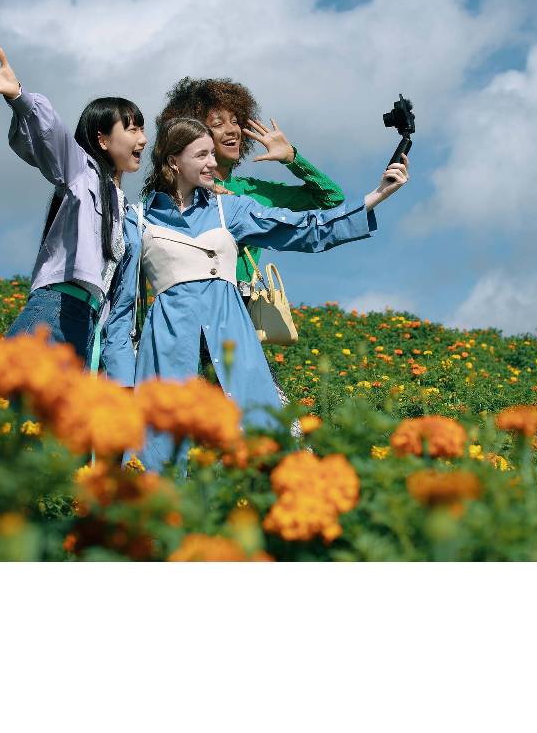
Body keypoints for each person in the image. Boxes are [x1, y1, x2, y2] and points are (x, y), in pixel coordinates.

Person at [102, 116, 408, 472]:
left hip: (234, 343)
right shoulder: (138, 219)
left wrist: (376, 195)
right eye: (201, 155)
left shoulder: (229, 209)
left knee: (266, 446)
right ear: (174, 161)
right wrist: (122, 384)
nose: (212, 162)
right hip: (165, 351)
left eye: (212, 153)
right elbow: (122, 311)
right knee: (161, 463)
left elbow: (304, 229)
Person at [0, 48, 147, 368]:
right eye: (132, 129)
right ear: (102, 140)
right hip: (56, 310)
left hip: (88, 322)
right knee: (19, 398)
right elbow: (53, 136)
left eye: (142, 129)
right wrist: (19, 96)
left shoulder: (125, 208)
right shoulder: (82, 172)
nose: (142, 139)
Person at [157, 78, 344, 302]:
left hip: (244, 308)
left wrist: (292, 158)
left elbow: (332, 198)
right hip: (193, 305)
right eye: (217, 124)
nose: (232, 130)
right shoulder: (176, 194)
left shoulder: (252, 191)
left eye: (235, 121)